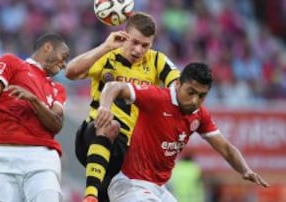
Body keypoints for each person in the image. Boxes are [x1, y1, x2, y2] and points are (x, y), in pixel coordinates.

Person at [95, 62, 270, 202]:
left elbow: (225, 148)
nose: (195, 100)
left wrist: (245, 170)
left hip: (159, 190)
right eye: (190, 92)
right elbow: (113, 86)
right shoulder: (157, 98)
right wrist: (104, 107)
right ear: (178, 84)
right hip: (130, 184)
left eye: (201, 96)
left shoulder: (199, 115)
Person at [65, 12, 180, 202]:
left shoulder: (157, 60)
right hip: (92, 133)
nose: (138, 50)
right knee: (109, 125)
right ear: (124, 35)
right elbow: (71, 72)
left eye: (145, 45)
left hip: (127, 151)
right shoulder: (108, 55)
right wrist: (105, 46)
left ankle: (98, 194)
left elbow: (178, 87)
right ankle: (90, 195)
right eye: (134, 42)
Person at [0, 33, 70, 202]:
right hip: (2, 155)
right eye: (64, 57)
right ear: (47, 47)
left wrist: (34, 100)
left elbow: (56, 125)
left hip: (42, 158)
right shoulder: (12, 63)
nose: (64, 64)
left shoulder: (58, 89)